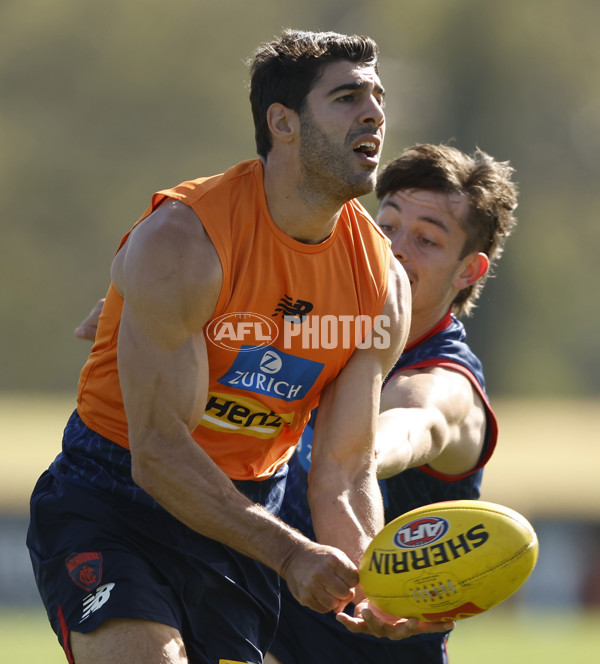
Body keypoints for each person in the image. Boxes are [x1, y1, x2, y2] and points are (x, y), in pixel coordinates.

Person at [26, 30, 453, 664]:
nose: (374, 113)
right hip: (112, 497)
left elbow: (341, 471)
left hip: (248, 510)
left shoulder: (382, 282)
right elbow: (160, 455)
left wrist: (375, 585)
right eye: (346, 97)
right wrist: (290, 552)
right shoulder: (183, 242)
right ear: (282, 122)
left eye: (378, 97)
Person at [266, 143, 519, 663]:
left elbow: (410, 424)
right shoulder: (325, 324)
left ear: (469, 270)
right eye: (388, 225)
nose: (395, 248)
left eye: (426, 239)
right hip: (264, 631)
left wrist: (353, 455)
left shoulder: (445, 383)